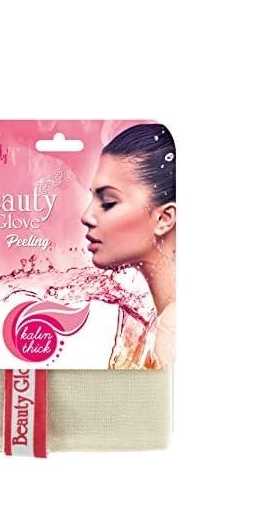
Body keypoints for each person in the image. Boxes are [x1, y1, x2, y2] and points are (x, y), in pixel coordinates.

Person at [81, 123, 176, 368]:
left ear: (163, 219)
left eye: (108, 202)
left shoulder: (173, 331)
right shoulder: (147, 325)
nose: (86, 216)